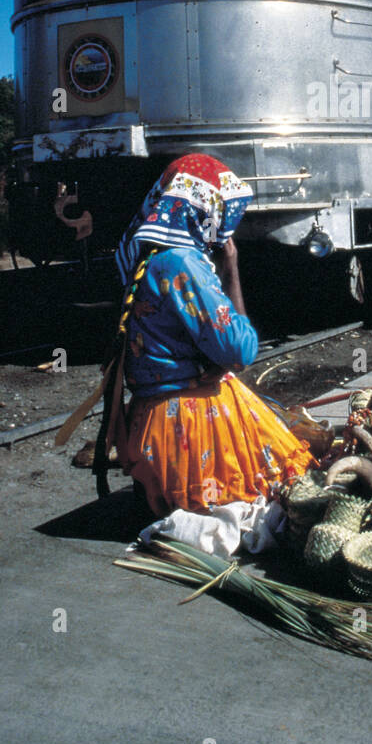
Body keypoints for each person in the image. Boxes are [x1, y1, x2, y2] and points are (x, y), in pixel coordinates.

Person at [103, 154, 314, 518]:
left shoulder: (146, 256)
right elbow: (240, 351)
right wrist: (231, 268)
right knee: (289, 484)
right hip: (189, 433)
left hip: (152, 426)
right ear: (206, 211)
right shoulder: (183, 263)